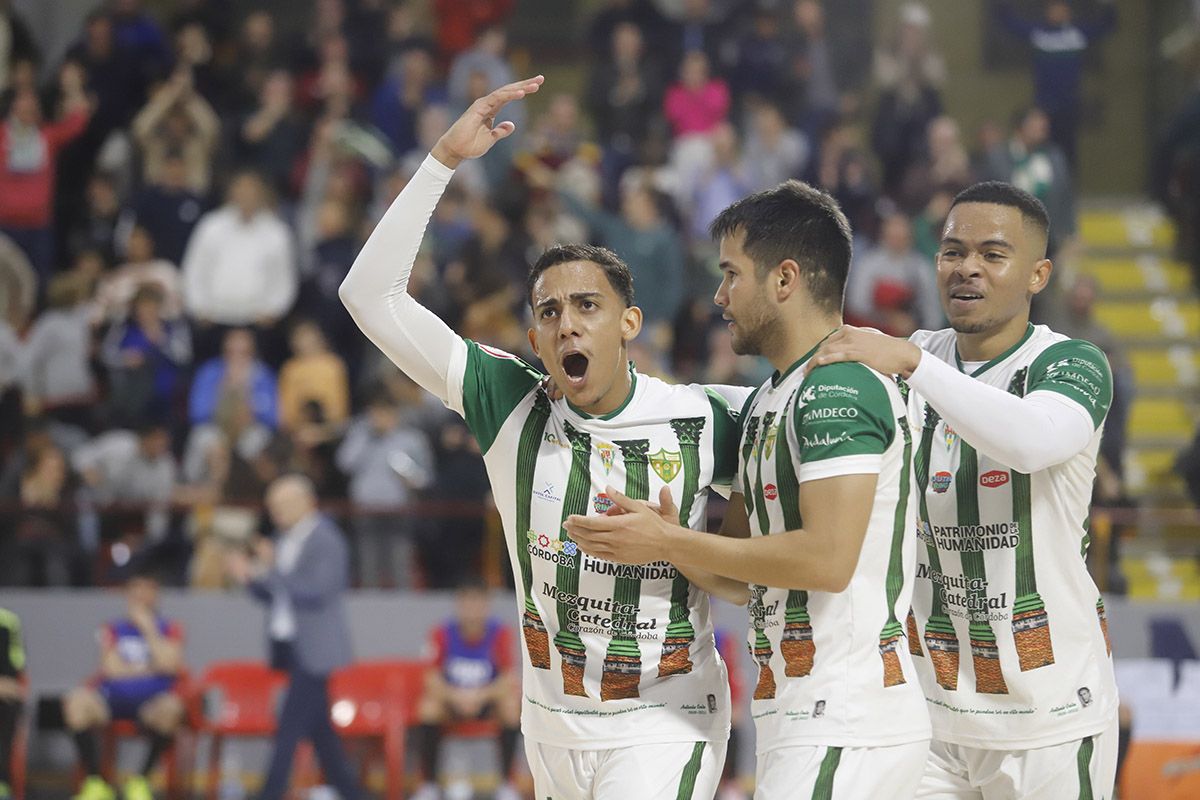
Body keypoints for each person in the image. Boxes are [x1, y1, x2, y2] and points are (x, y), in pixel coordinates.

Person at [340, 76, 750, 798]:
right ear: (534, 336)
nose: (568, 322)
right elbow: (368, 296)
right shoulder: (507, 402)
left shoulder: (706, 414)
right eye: (551, 311)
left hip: (667, 716)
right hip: (551, 726)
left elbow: (803, 471)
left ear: (630, 323)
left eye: (588, 305)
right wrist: (441, 159)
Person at [565, 179, 931, 798]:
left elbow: (827, 560)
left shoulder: (839, 389)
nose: (719, 294)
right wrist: (667, 543)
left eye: (732, 274)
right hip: (798, 716)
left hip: (848, 716)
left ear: (784, 280)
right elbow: (739, 579)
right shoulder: (768, 400)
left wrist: (672, 540)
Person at [811, 181, 1118, 798]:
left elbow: (1033, 441)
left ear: (1038, 275)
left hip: (1049, 717)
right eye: (952, 252)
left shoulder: (1071, 364)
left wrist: (915, 367)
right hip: (926, 717)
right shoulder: (905, 357)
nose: (966, 268)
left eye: (992, 255)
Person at [225, 474, 361, 800]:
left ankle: (269, 793)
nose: (275, 512)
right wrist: (249, 578)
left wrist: (270, 570)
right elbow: (277, 594)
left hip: (315, 648)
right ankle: (354, 794)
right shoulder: (284, 540)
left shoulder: (326, 540)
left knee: (288, 727)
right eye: (272, 506)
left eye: (281, 505)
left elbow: (316, 591)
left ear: (305, 502)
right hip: (290, 645)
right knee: (319, 732)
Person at [64, 567, 186, 800]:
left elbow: (170, 665)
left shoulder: (170, 628)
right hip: (112, 698)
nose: (140, 595)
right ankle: (96, 783)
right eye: (135, 589)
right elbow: (111, 669)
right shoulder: (113, 628)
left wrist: (148, 629)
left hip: (152, 702)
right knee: (76, 702)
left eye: (146, 589)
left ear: (156, 593)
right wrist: (150, 667)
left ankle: (140, 781)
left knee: (172, 709)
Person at [411, 580, 521, 800]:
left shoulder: (500, 633)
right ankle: (429, 785)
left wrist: (479, 696)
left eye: (477, 604)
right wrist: (456, 696)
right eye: (467, 604)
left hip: (485, 700)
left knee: (511, 708)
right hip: (452, 699)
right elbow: (430, 677)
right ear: (459, 606)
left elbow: (508, 678)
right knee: (427, 708)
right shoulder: (442, 633)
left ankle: (506, 785)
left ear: (486, 606)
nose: (472, 611)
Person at [0, 607, 25, 800]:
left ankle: (2, 784)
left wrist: (12, 684)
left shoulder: (7, 620)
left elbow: (16, 664)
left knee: (9, 703)